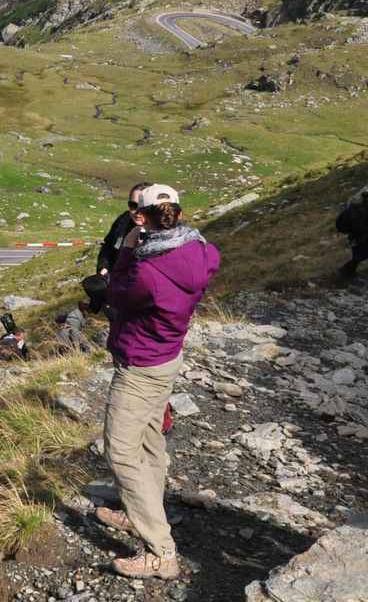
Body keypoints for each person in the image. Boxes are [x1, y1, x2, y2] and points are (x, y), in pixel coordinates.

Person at [97, 184, 219, 581]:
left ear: (143, 218)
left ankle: (160, 551)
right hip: (167, 356)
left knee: (120, 451)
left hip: (140, 365)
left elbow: (117, 294)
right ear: (177, 214)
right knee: (150, 440)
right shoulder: (200, 248)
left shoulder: (147, 271)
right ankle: (145, 511)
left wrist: (128, 250)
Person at [91, 183, 154, 306]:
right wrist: (104, 267)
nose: (138, 212)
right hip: (114, 285)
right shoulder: (123, 220)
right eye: (133, 205)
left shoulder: (162, 232)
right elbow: (108, 245)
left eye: (143, 206)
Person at [336, 185, 368, 282]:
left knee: (359, 256)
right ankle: (344, 275)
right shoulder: (360, 210)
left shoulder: (357, 207)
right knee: (360, 256)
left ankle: (346, 274)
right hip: (361, 236)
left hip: (357, 236)